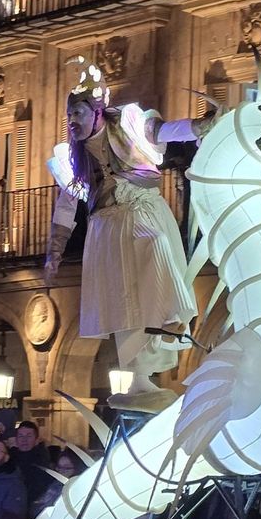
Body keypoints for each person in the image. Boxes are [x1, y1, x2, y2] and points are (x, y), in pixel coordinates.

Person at [45, 60, 203, 412]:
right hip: (107, 228)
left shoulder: (128, 125)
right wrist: (54, 252)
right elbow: (67, 205)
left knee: (156, 250)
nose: (73, 120)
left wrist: (198, 126)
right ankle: (138, 375)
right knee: (123, 304)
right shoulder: (72, 157)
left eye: (78, 112)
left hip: (142, 212)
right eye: (69, 114)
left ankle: (171, 319)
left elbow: (162, 132)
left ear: (97, 112)